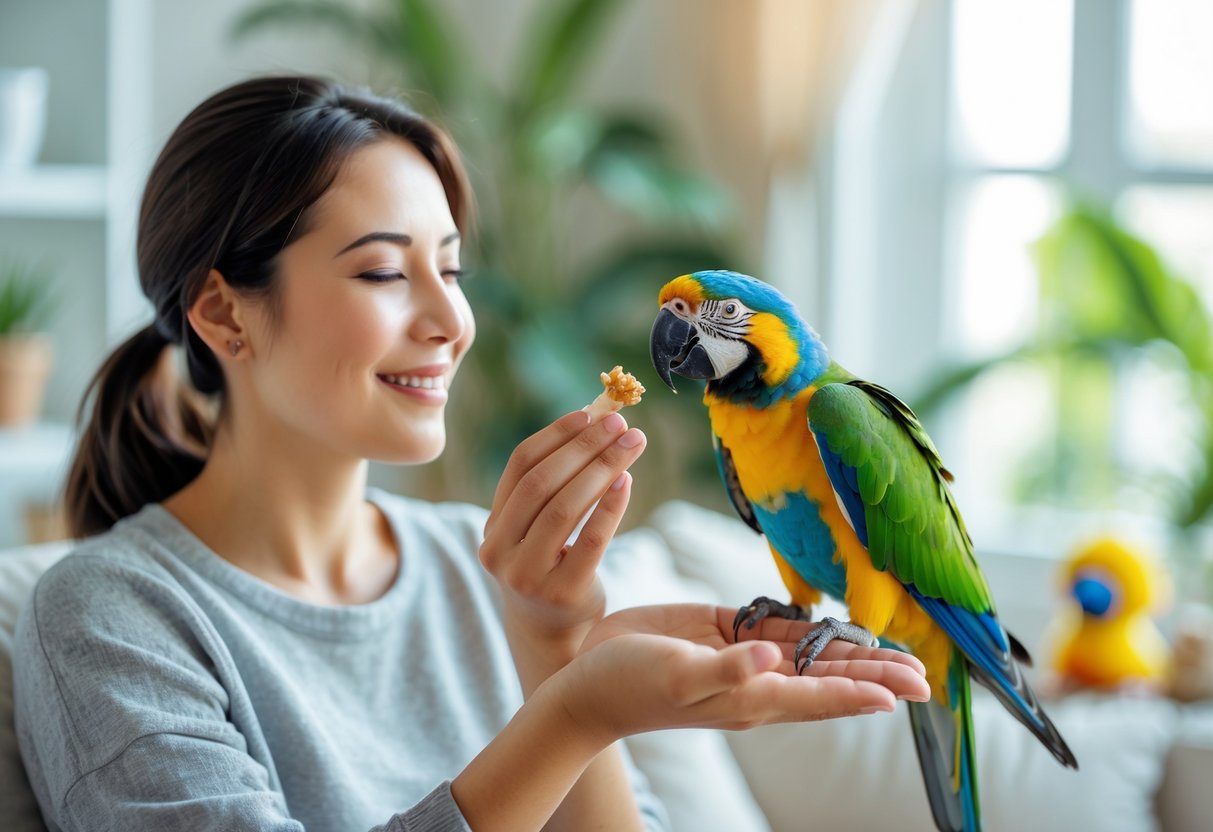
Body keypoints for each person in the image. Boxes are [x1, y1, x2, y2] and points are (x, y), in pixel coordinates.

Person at [12, 75, 929, 831]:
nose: (452, 322)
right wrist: (574, 712)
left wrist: (551, 642)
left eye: (450, 270)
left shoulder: (486, 564)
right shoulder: (105, 616)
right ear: (222, 312)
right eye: (382, 271)